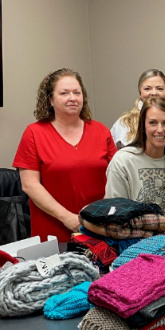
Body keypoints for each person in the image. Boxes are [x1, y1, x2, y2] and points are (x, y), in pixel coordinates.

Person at [13, 68, 116, 242]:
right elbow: (30, 185)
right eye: (64, 93)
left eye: (77, 92)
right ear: (50, 100)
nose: (73, 98)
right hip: (53, 232)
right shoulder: (34, 133)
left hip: (98, 228)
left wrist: (98, 214)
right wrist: (68, 218)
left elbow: (117, 177)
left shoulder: (101, 131)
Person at [105, 97, 165, 231]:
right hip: (131, 241)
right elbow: (117, 215)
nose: (160, 129)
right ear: (143, 127)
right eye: (153, 123)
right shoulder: (122, 161)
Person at [110, 69, 165, 152]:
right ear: (140, 92)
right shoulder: (123, 124)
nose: (154, 93)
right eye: (147, 88)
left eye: (159, 88)